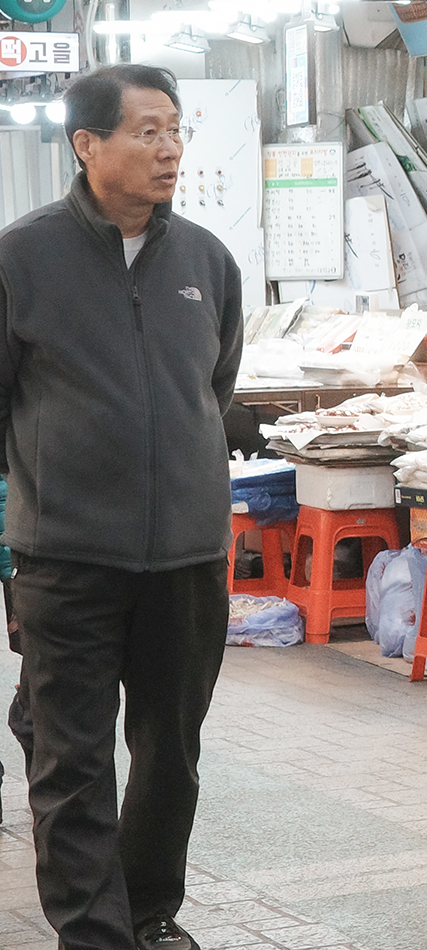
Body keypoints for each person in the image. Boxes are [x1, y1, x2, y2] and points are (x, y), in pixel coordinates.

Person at [0, 64, 244, 950]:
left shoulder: (208, 261)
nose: (169, 147)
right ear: (86, 144)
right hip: (67, 562)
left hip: (185, 558)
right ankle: (93, 933)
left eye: (174, 129)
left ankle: (147, 909)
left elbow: (211, 392)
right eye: (146, 130)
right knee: (71, 761)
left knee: (171, 755)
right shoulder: (21, 257)